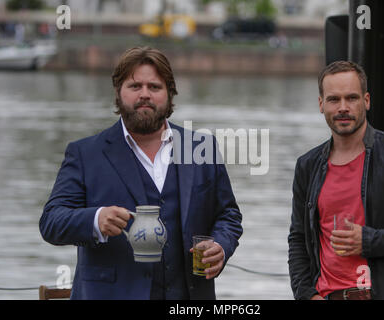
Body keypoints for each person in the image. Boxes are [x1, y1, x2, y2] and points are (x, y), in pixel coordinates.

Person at [39, 47, 243, 300]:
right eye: (135, 86)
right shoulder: (85, 153)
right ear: (118, 92)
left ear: (169, 94)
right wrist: (95, 219)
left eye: (154, 87)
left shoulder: (201, 147)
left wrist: (221, 245)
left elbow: (228, 214)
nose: (144, 94)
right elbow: (51, 222)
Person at [288, 60, 384, 300]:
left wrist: (370, 241)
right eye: (334, 99)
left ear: (366, 101)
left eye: (352, 98)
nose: (343, 107)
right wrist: (306, 294)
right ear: (321, 104)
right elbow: (298, 239)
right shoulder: (307, 165)